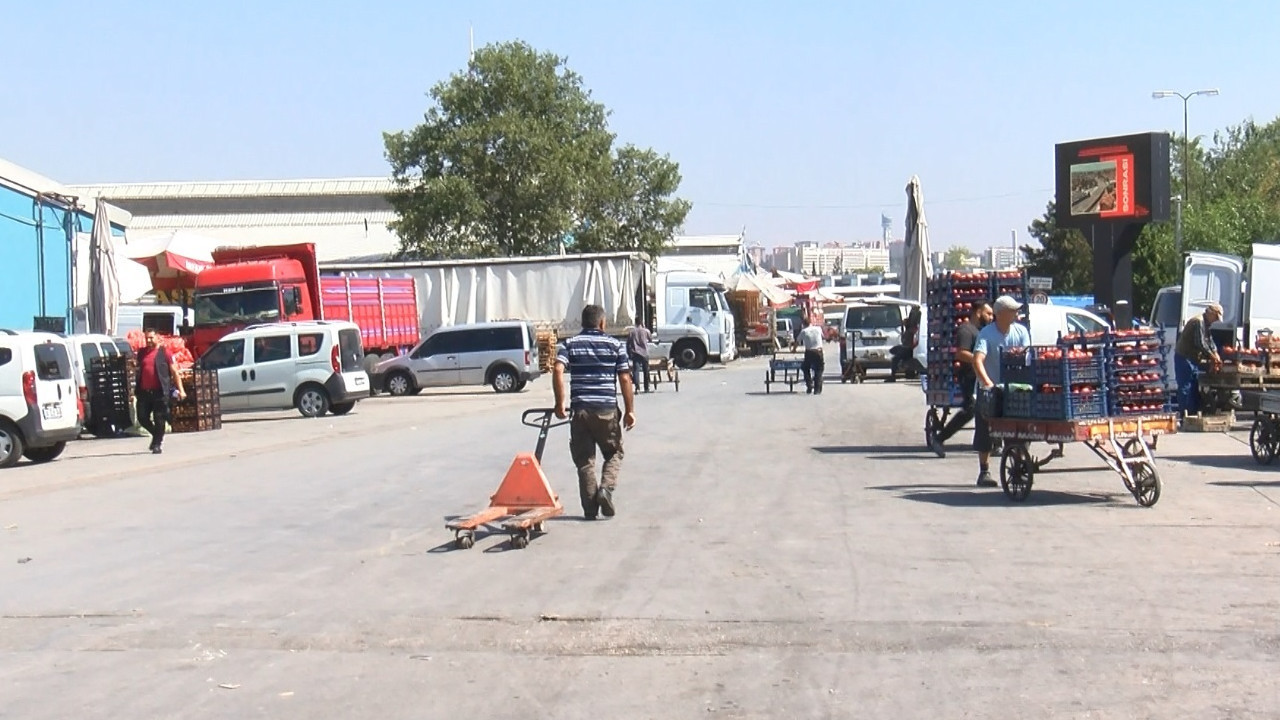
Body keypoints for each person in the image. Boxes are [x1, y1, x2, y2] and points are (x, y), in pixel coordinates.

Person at [554, 305, 636, 520]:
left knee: (584, 460)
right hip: (606, 410)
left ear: (583, 323)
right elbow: (625, 378)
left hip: (580, 410)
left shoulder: (569, 344)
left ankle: (590, 509)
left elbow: (557, 369)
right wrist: (630, 411)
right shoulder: (615, 345)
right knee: (614, 452)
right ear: (602, 323)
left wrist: (559, 403)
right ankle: (606, 489)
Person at [971, 295, 1031, 487]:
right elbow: (977, 360)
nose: (1016, 313)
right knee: (985, 431)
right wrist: (987, 383)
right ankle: (984, 470)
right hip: (989, 389)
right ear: (1000, 314)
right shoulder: (986, 334)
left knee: (1019, 429)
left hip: (1013, 388)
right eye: (1012, 310)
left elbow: (1027, 358)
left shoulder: (1021, 332)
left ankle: (1019, 463)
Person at [928, 299, 993, 457]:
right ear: (978, 313)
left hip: (982, 377)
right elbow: (960, 353)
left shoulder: (983, 331)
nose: (992, 317)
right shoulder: (966, 330)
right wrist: (979, 360)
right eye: (988, 313)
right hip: (969, 377)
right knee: (970, 409)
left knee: (991, 408)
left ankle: (994, 442)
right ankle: (939, 438)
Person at [135, 330, 186, 455]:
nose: (148, 341)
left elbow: (174, 372)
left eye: (151, 338)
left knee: (159, 418)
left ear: (158, 338)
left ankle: (157, 444)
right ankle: (156, 435)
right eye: (147, 338)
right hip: (144, 392)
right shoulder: (141, 353)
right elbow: (138, 370)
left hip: (160, 392)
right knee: (142, 418)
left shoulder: (165, 353)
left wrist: (181, 390)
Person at [1175, 303, 1223, 416]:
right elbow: (1200, 343)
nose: (1215, 320)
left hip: (1193, 359)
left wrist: (1216, 354)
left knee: (1194, 386)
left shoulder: (1206, 324)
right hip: (1184, 357)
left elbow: (1209, 341)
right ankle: (1185, 414)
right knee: (1186, 387)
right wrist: (1212, 356)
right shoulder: (1198, 321)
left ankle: (1193, 413)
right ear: (1210, 313)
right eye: (1215, 317)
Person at [888, 306, 922, 382]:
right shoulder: (909, 328)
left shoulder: (915, 328)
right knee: (893, 351)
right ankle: (907, 372)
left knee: (895, 358)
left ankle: (893, 375)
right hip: (907, 346)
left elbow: (913, 339)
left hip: (910, 348)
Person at [797, 316, 825, 394]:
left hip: (809, 353)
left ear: (803, 324)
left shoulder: (804, 331)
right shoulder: (818, 328)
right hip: (819, 351)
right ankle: (817, 389)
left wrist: (793, 349)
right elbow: (823, 337)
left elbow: (797, 341)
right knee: (818, 370)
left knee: (805, 368)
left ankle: (809, 384)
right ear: (810, 322)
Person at [626, 323, 653, 393]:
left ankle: (637, 387)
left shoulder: (631, 332)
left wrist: (629, 354)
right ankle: (646, 388)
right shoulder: (646, 331)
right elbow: (650, 339)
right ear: (642, 323)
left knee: (636, 371)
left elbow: (628, 344)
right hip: (644, 353)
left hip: (635, 353)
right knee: (646, 370)